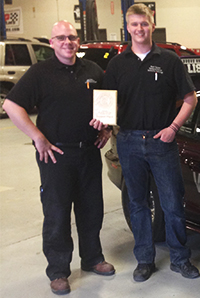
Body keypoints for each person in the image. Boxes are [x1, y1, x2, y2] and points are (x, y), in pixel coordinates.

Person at [3, 20, 115, 295]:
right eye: (61, 38)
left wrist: (107, 128)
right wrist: (37, 137)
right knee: (57, 214)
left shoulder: (92, 70)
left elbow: (106, 103)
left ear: (78, 41)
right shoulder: (40, 73)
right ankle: (58, 271)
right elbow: (11, 105)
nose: (68, 42)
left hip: (88, 152)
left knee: (92, 210)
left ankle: (92, 259)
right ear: (52, 43)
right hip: (56, 156)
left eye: (72, 37)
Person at [90, 3, 199, 282]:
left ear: (152, 25)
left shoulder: (169, 61)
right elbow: (104, 99)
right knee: (138, 203)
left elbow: (190, 99)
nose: (139, 29)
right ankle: (144, 260)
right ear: (128, 27)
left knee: (173, 202)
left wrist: (174, 127)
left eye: (144, 24)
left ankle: (179, 258)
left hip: (161, 141)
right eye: (134, 24)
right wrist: (103, 122)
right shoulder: (117, 64)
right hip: (128, 141)